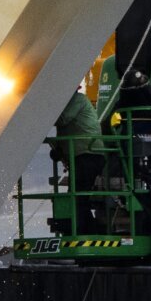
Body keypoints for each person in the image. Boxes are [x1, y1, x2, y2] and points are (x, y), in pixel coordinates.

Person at [52, 90, 105, 234]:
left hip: (88, 153)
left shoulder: (77, 99)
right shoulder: (69, 101)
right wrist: (58, 148)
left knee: (79, 196)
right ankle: (84, 229)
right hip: (83, 154)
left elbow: (62, 119)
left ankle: (83, 230)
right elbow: (64, 129)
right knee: (77, 196)